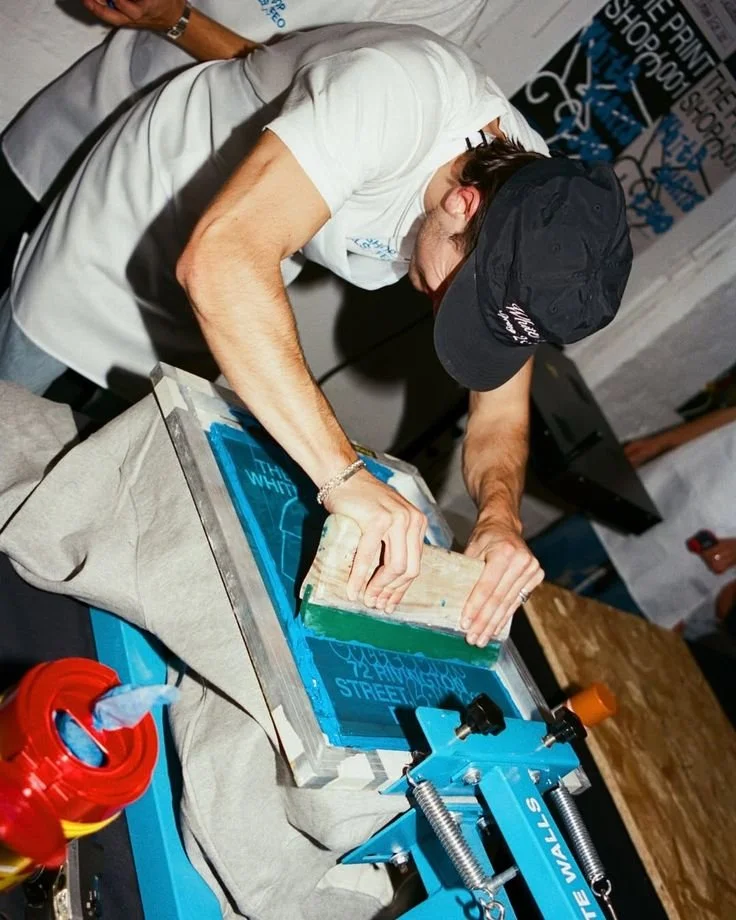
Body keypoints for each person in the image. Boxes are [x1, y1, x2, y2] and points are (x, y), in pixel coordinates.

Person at [0, 23, 633, 648]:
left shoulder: (539, 220)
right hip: (146, 211)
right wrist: (344, 476)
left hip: (239, 279)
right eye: (458, 295)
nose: (443, 313)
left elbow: (498, 416)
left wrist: (500, 515)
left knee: (110, 446)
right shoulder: (396, 93)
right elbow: (221, 258)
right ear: (463, 203)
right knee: (16, 417)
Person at [0, 0, 490, 286]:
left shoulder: (446, 7)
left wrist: (178, 19)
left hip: (188, 205)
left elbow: (308, 96)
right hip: (75, 126)